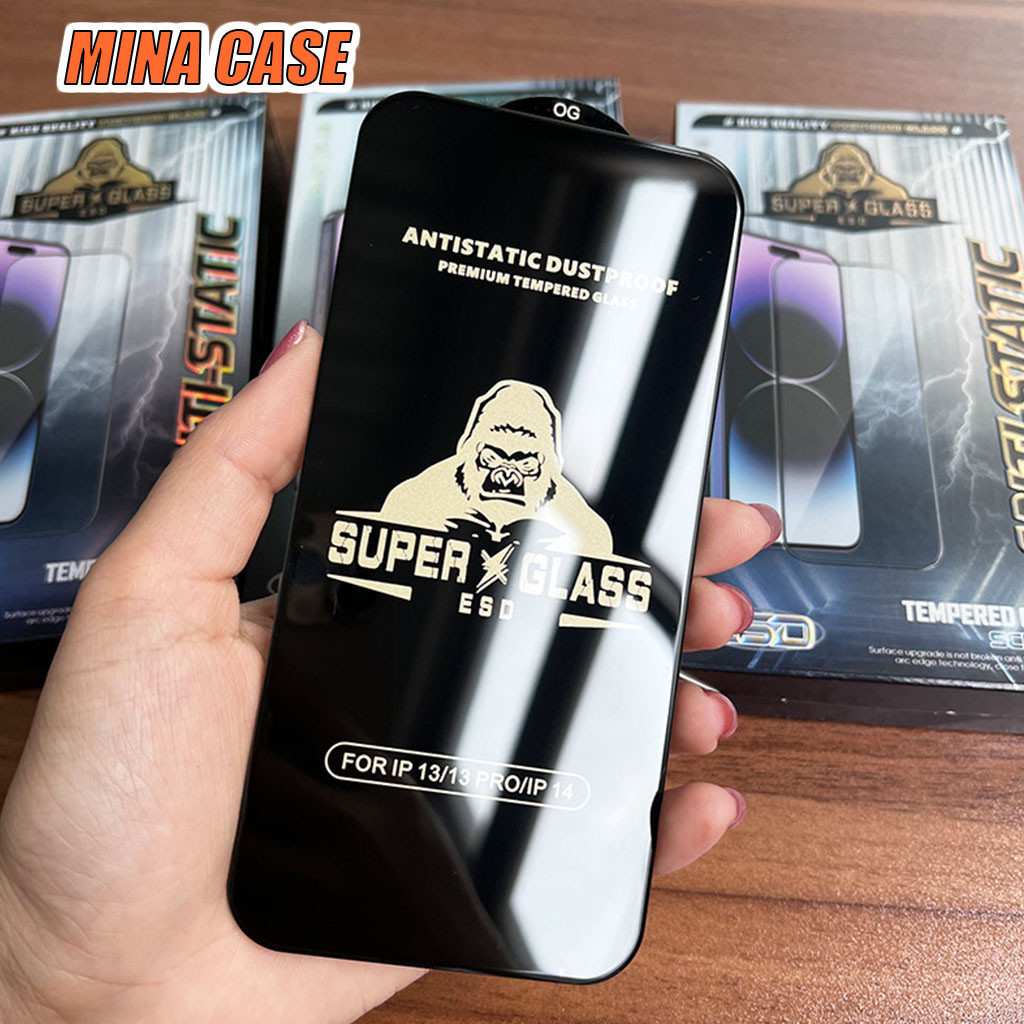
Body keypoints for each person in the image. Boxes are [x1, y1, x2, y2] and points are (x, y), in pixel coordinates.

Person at [0, 323, 781, 1023]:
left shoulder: (584, 531)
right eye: (495, 454)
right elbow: (357, 616)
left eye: (525, 459)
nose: (508, 471)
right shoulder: (416, 499)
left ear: (548, 467)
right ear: (470, 450)